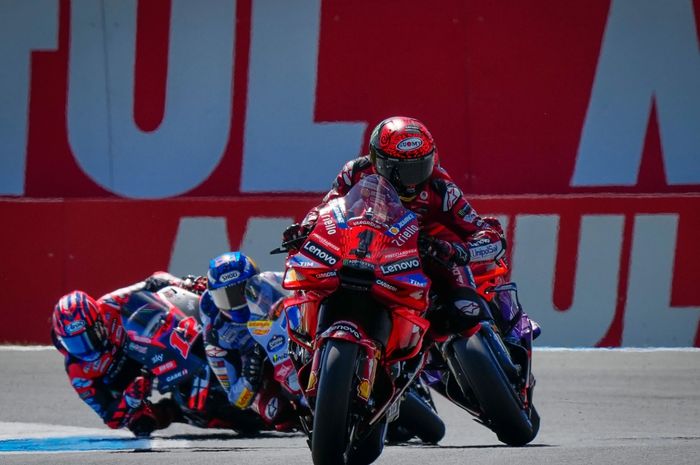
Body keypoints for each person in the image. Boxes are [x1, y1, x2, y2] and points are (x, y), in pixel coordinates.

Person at [283, 116, 520, 336]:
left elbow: (488, 235)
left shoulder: (441, 187)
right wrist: (306, 227)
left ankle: (495, 348)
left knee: (467, 311)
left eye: (419, 168)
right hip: (372, 252)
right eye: (399, 170)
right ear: (377, 161)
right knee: (318, 284)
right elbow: (328, 208)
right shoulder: (354, 173)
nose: (411, 180)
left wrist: (457, 251)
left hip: (430, 255)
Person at [51, 272, 205, 436]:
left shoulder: (110, 303)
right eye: (74, 344)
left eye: (88, 338)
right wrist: (130, 398)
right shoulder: (77, 371)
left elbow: (154, 281)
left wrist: (185, 283)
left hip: (146, 350)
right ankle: (177, 411)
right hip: (129, 382)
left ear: (98, 323)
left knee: (191, 295)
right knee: (140, 423)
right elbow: (109, 417)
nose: (84, 349)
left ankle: (206, 342)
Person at [199, 251, 295, 429]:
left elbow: (304, 291)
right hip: (266, 372)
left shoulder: (273, 284)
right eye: (227, 297)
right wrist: (250, 375)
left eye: (244, 291)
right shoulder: (215, 331)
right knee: (277, 413)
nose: (237, 302)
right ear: (214, 297)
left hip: (293, 346)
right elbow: (236, 398)